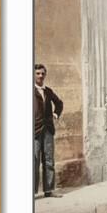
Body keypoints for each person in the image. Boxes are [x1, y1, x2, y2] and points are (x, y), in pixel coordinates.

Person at [34, 63, 64, 198]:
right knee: (33, 161)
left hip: (48, 130)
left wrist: (55, 114)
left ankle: (49, 190)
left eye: (42, 73)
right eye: (38, 73)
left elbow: (59, 103)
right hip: (33, 130)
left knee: (49, 160)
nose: (40, 76)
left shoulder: (48, 91)